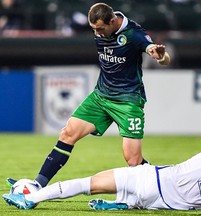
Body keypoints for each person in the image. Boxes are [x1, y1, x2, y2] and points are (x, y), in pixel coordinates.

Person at [6, 2, 170, 188]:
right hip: (100, 96)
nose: (98, 33)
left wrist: (160, 55)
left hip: (127, 101)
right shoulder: (100, 26)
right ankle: (38, 184)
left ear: (113, 21)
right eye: (94, 29)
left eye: (100, 29)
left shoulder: (134, 34)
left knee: (133, 160)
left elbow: (159, 56)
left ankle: (165, 185)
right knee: (68, 133)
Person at [3, 104, 201, 211]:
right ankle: (121, 204)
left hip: (151, 180)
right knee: (134, 194)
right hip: (161, 204)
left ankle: (30, 199)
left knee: (84, 183)